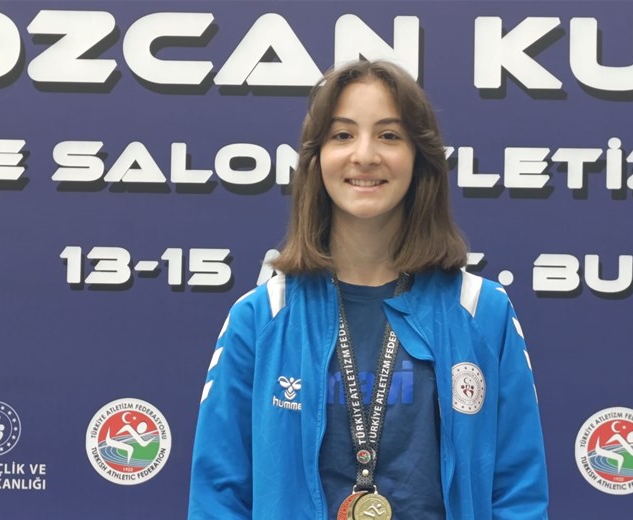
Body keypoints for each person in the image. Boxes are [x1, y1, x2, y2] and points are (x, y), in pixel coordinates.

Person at [188, 60, 549, 519]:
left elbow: (517, 492)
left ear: (419, 158)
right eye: (342, 134)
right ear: (316, 159)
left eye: (389, 135)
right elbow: (219, 496)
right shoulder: (262, 316)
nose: (364, 155)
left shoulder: (481, 310)